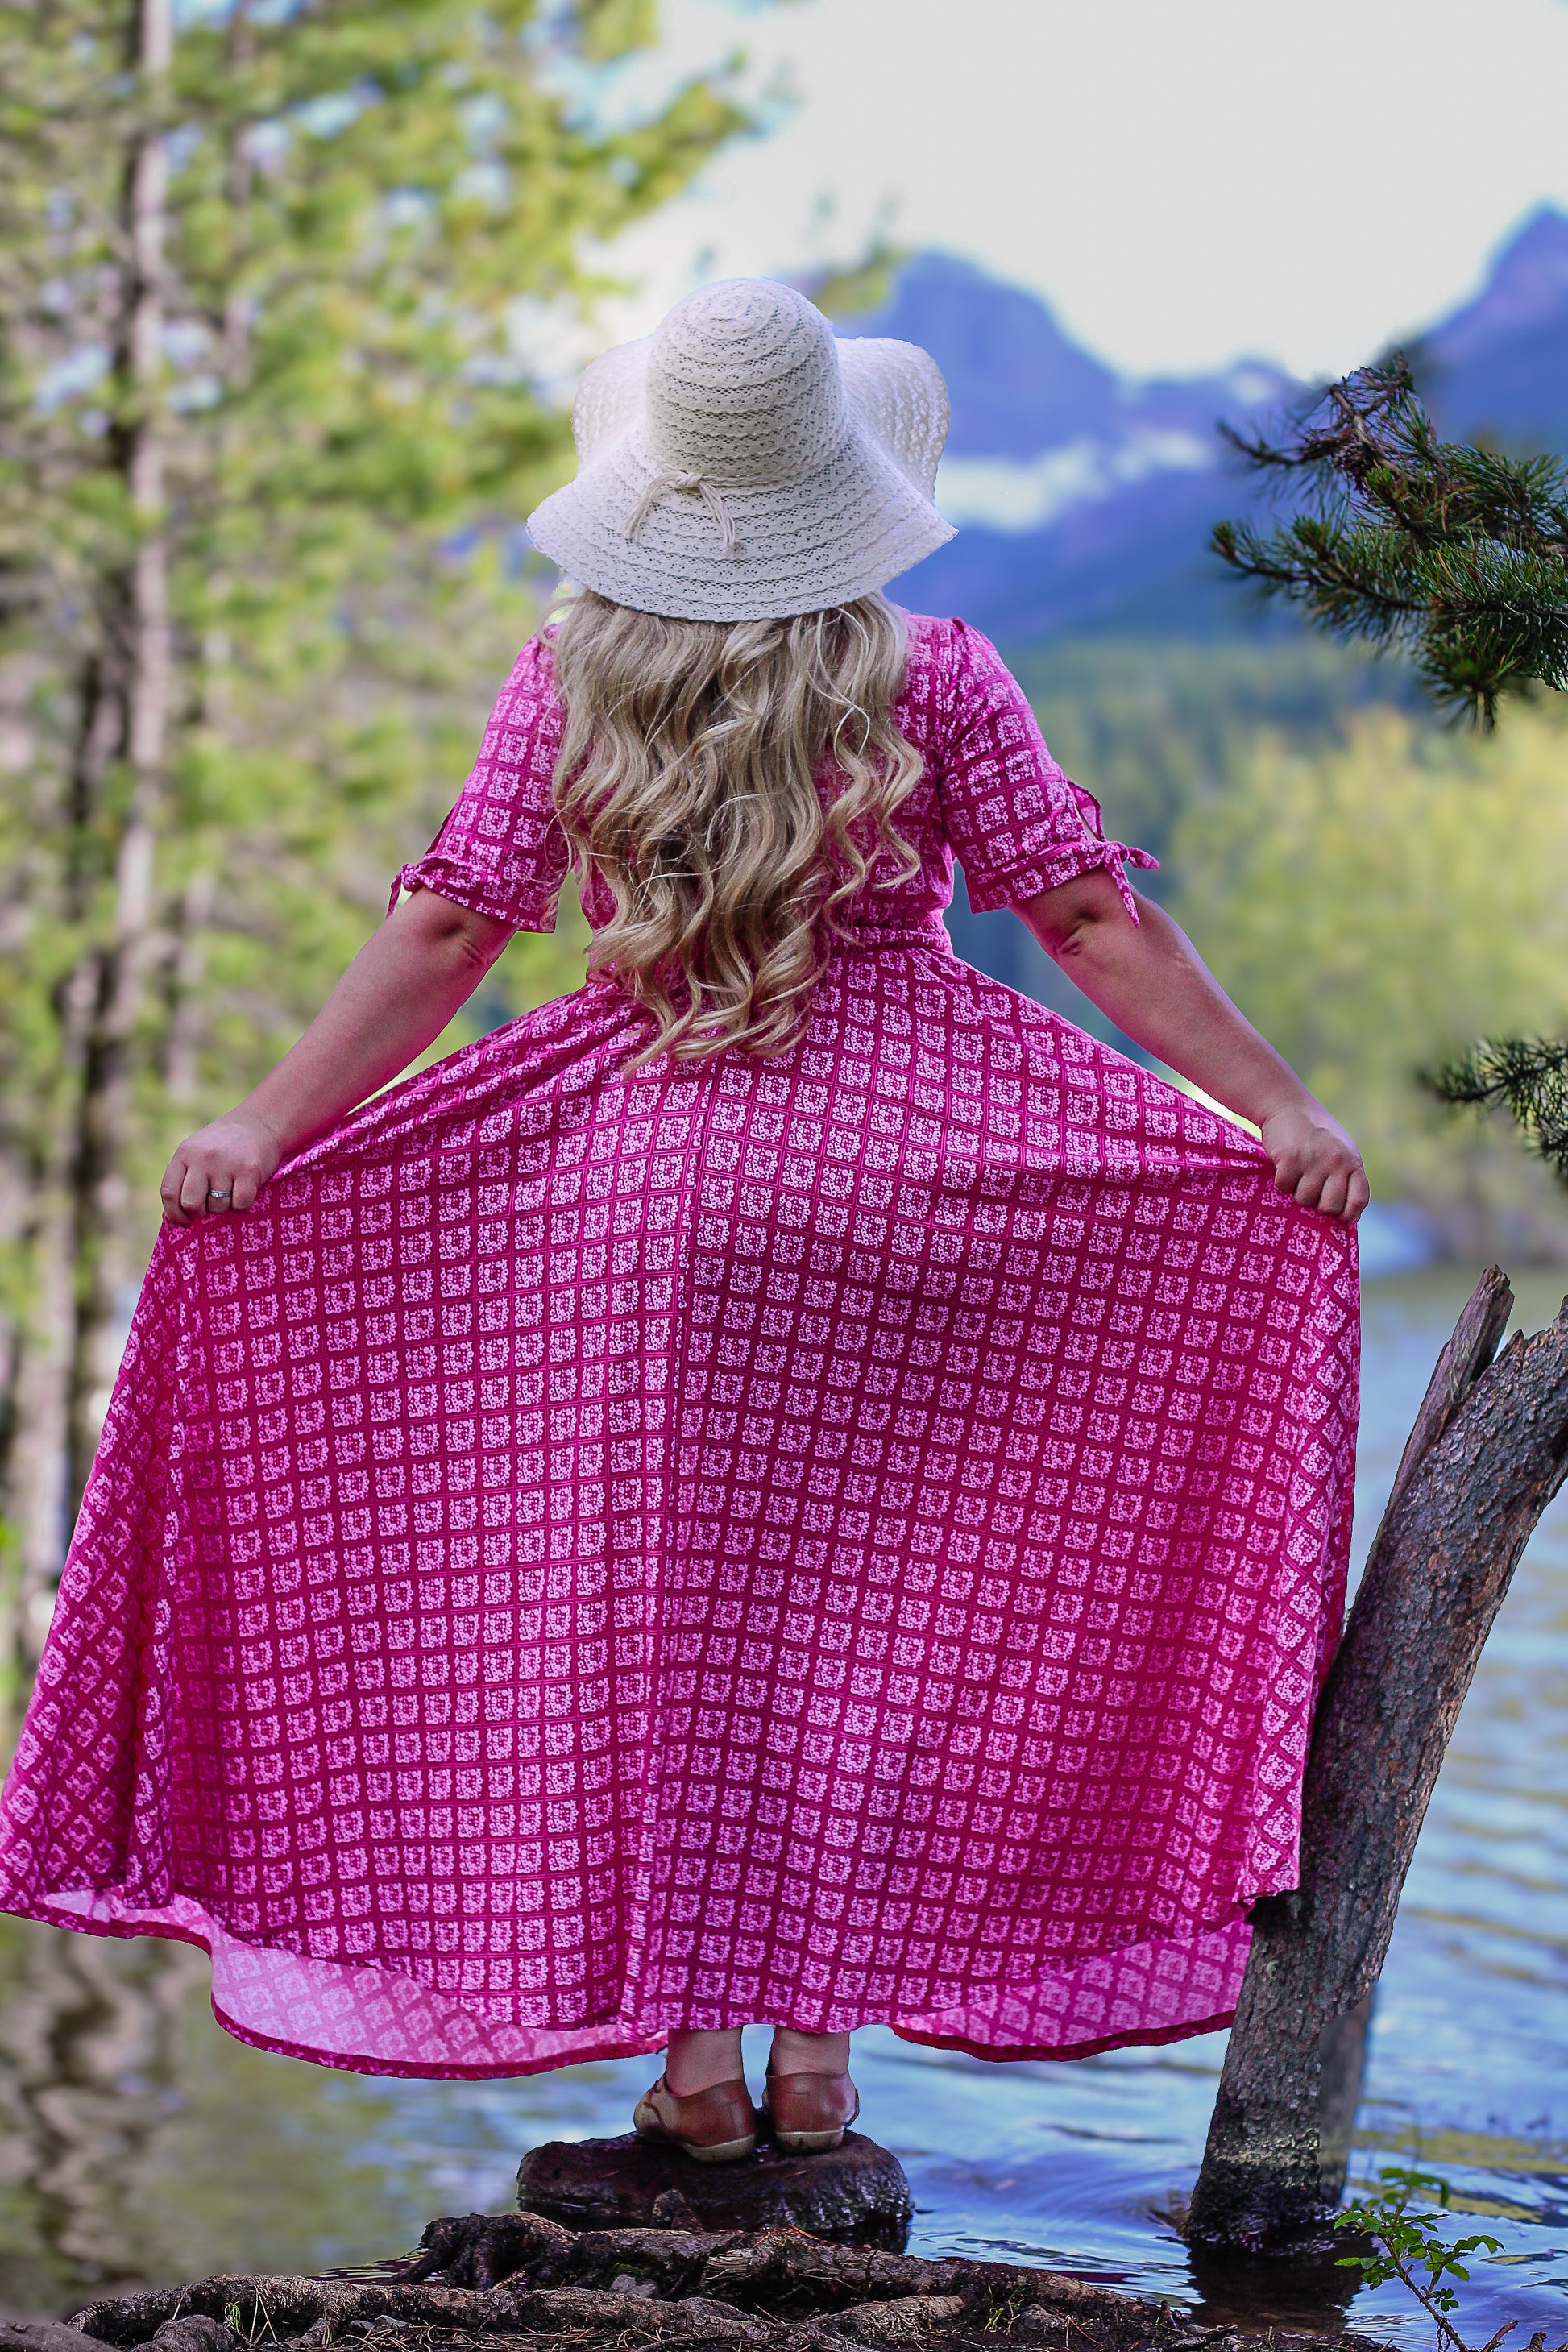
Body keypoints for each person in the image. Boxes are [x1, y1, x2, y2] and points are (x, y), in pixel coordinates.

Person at [0, 280, 1364, 2166]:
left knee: (666, 1630)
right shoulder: (937, 667)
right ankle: (822, 2058)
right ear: (849, 480)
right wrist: (1269, 1108)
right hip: (919, 1187)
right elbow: (1083, 921)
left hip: (633, 1207)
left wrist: (263, 1121)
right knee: (874, 1628)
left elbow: (448, 929)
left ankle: (699, 2072)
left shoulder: (577, 669)